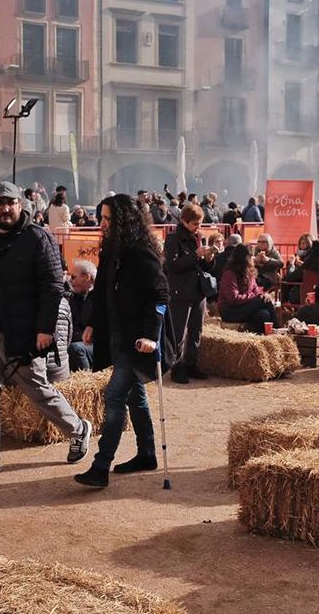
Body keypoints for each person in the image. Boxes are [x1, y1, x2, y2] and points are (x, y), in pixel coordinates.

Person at [0, 182, 91, 480]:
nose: (4, 208)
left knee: (38, 391)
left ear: (20, 204)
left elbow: (54, 287)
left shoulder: (38, 238)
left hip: (22, 333)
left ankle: (78, 428)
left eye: (10, 203)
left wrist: (44, 329)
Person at [74, 194, 172, 488]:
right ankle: (147, 454)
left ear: (123, 221)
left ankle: (100, 467)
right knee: (134, 396)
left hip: (137, 337)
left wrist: (151, 335)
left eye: (107, 219)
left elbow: (160, 296)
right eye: (101, 218)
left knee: (115, 396)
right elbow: (102, 288)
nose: (101, 224)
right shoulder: (111, 247)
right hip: (117, 333)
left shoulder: (142, 251)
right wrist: (92, 322)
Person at [164, 203, 213, 383]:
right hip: (181, 292)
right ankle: (177, 368)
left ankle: (191, 365)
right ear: (184, 221)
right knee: (179, 333)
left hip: (198, 292)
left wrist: (209, 259)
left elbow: (204, 267)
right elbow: (172, 265)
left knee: (196, 331)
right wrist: (195, 255)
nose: (198, 227)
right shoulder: (173, 239)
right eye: (195, 224)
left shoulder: (199, 238)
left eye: (200, 224)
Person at [218, 244, 278, 332]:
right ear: (245, 257)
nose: (253, 258)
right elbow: (233, 298)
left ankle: (261, 340)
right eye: (251, 256)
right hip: (230, 311)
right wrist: (255, 297)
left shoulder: (250, 272)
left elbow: (256, 290)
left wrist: (262, 295)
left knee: (263, 314)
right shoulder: (230, 274)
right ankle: (278, 329)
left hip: (245, 307)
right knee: (262, 301)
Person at [67, 259, 98, 371]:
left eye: (74, 277)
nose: (70, 281)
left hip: (99, 347)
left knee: (76, 348)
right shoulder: (73, 297)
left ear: (86, 277)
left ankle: (87, 380)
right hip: (80, 343)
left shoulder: (101, 298)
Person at [283, 239, 319, 303]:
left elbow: (291, 278)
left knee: (284, 283)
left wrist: (291, 265)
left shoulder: (309, 264)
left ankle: (284, 306)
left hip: (302, 296)